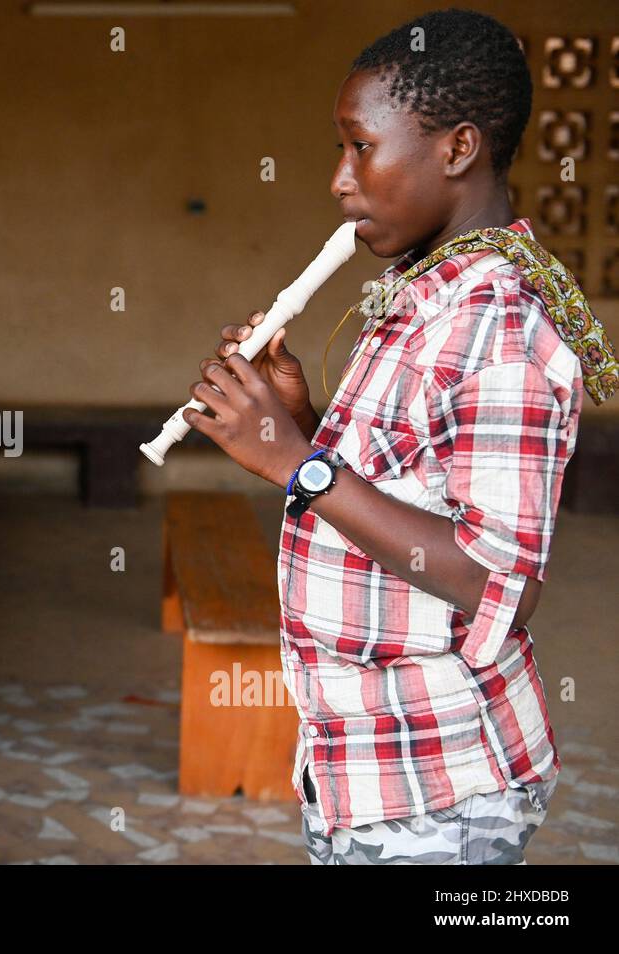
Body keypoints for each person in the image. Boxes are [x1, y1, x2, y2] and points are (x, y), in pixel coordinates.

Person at [183, 9, 617, 864]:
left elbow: (499, 581)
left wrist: (296, 464)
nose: (340, 181)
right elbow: (402, 487)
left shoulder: (502, 325)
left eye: (360, 147)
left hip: (441, 791)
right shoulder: (423, 290)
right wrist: (299, 418)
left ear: (458, 150)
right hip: (370, 764)